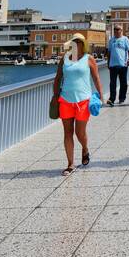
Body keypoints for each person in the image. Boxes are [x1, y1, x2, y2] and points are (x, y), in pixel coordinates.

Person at [50, 34, 102, 176]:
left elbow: (96, 78)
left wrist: (101, 96)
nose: (76, 44)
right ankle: (70, 164)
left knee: (80, 132)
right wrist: (55, 96)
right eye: (74, 41)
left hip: (83, 100)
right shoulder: (65, 59)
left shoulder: (89, 59)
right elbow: (57, 78)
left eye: (79, 42)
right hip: (65, 100)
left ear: (83, 44)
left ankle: (85, 148)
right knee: (67, 133)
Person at [106, 25, 129, 105]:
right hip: (113, 65)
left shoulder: (125, 39)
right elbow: (109, 52)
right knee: (112, 83)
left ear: (121, 30)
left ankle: (122, 98)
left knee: (123, 83)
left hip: (123, 65)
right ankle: (112, 99)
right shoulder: (111, 40)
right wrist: (108, 62)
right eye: (115, 29)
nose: (116, 31)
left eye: (118, 29)